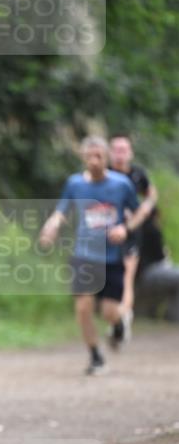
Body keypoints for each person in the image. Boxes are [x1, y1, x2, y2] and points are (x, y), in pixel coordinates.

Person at [39, 136, 153, 375]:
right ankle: (95, 356)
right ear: (83, 157)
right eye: (89, 156)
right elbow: (61, 211)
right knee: (83, 308)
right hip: (84, 255)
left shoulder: (122, 184)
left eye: (99, 156)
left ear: (107, 158)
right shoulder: (75, 184)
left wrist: (125, 228)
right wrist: (52, 226)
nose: (94, 161)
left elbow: (137, 212)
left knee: (109, 312)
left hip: (112, 257)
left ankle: (119, 323)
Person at [108, 135, 158, 338]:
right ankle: (115, 316)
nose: (120, 154)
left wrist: (146, 207)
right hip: (105, 233)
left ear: (130, 153)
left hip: (130, 233)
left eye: (124, 149)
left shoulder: (138, 174)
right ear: (110, 153)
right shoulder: (103, 175)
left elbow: (151, 193)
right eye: (116, 149)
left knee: (126, 277)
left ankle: (122, 318)